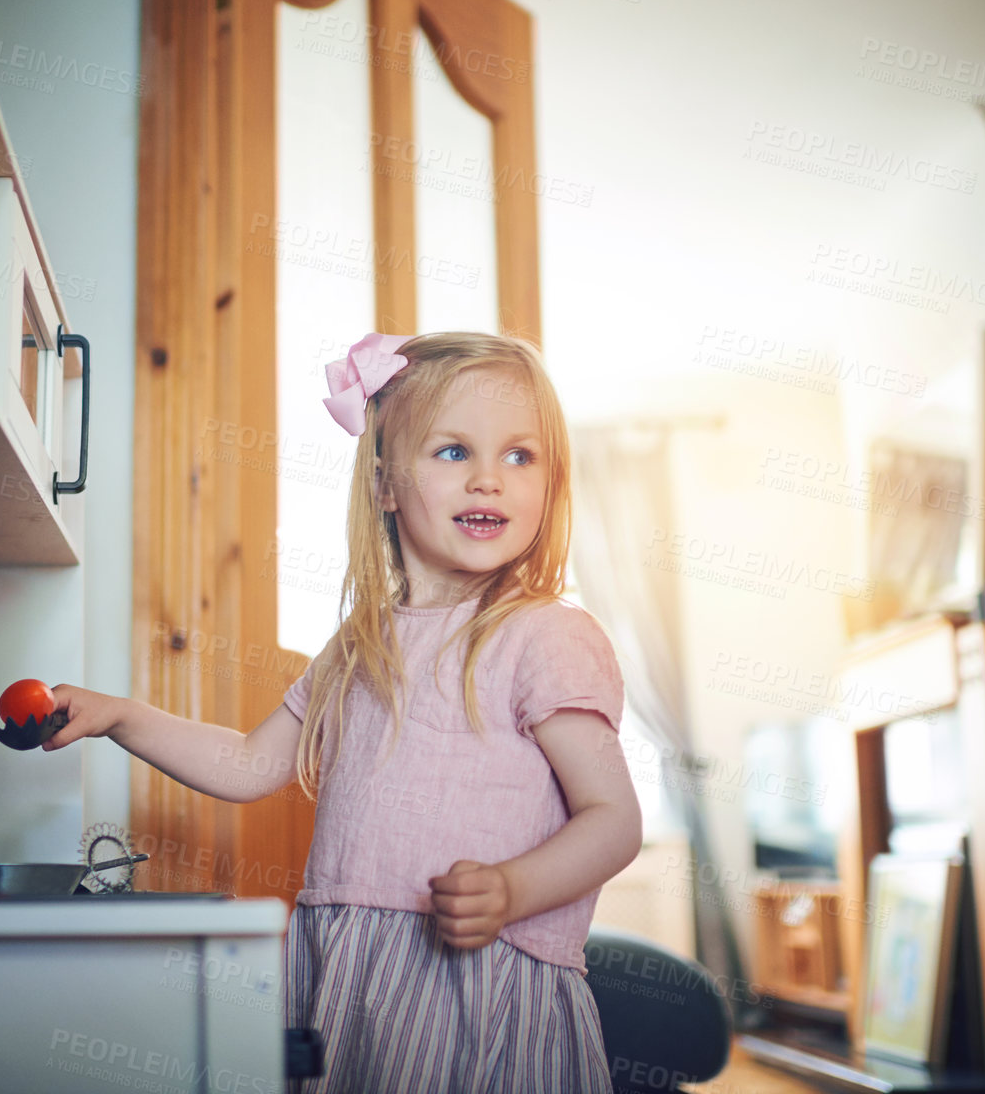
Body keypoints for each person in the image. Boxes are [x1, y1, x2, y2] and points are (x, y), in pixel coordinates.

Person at [42, 330, 642, 1093]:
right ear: (385, 483)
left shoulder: (545, 635)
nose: (489, 480)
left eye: (519, 457)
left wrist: (512, 890)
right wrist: (120, 716)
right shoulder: (358, 645)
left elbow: (612, 819)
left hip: (478, 987)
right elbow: (247, 764)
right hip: (346, 977)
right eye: (453, 452)